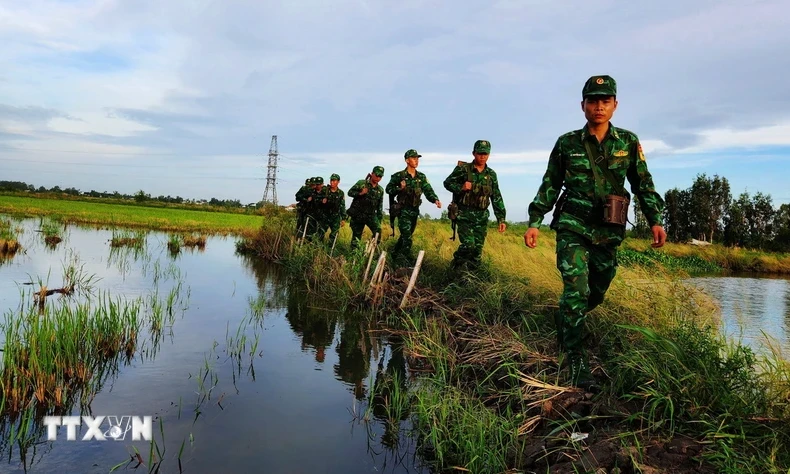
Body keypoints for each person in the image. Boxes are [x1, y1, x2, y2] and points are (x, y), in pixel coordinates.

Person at [523, 75, 667, 392]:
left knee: (597, 291)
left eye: (605, 100)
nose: (598, 106)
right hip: (572, 226)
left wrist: (656, 218)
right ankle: (575, 359)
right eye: (592, 100)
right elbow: (550, 183)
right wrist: (534, 220)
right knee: (575, 290)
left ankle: (568, 321)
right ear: (583, 106)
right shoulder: (567, 144)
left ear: (615, 105)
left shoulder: (628, 143)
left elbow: (643, 183)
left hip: (609, 229)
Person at [443, 140, 506, 270]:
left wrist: (501, 218)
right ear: (473, 153)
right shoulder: (463, 169)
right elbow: (447, 183)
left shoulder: (491, 174)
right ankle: (456, 265)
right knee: (468, 245)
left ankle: (473, 279)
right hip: (464, 214)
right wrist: (461, 187)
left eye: (486, 154)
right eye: (480, 153)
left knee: (477, 251)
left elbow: (496, 196)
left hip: (482, 216)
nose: (482, 156)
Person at [386, 149, 441, 265]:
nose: (416, 160)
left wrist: (435, 199)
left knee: (406, 236)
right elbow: (388, 189)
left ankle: (394, 255)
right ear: (407, 160)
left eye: (417, 158)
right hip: (403, 211)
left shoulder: (421, 177)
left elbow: (428, 190)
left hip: (414, 211)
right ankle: (404, 264)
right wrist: (399, 188)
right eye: (413, 158)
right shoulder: (399, 176)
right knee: (407, 238)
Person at [347, 166, 386, 250]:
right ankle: (354, 256)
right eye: (376, 175)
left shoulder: (380, 190)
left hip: (371, 215)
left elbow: (380, 206)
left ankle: (369, 250)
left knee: (378, 232)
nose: (378, 178)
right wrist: (360, 193)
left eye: (380, 176)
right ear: (372, 174)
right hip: (358, 214)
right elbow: (350, 193)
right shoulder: (362, 183)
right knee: (356, 238)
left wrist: (379, 220)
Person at [319, 173, 347, 244]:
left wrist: (343, 218)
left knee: (334, 235)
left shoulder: (340, 193)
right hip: (324, 216)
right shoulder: (324, 190)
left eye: (334, 180)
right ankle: (318, 250)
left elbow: (342, 206)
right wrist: (321, 201)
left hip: (335, 217)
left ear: (338, 182)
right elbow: (316, 199)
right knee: (320, 234)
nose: (332, 182)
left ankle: (330, 251)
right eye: (331, 180)